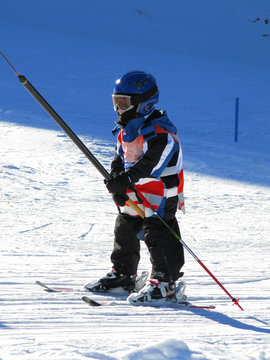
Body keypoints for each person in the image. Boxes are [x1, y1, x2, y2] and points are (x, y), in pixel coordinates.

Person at [85, 71, 185, 303]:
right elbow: (119, 158)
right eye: (116, 102)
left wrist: (126, 179)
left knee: (158, 232)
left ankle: (165, 284)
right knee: (125, 226)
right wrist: (117, 182)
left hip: (161, 192)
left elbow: (152, 164)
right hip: (137, 190)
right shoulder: (126, 130)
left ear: (144, 104)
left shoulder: (161, 133)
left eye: (124, 102)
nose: (119, 108)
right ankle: (124, 275)